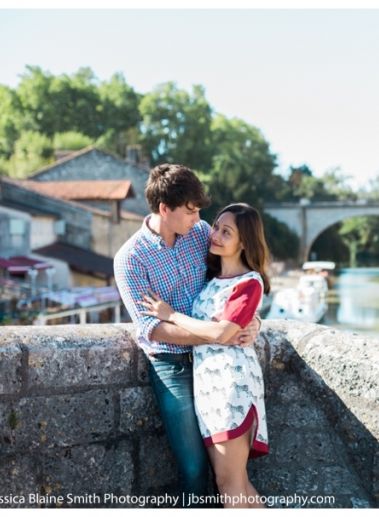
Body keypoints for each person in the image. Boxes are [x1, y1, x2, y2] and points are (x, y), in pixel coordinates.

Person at [114, 164, 261, 507]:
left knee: (227, 475)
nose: (199, 219)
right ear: (165, 209)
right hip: (172, 366)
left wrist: (253, 322)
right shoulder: (130, 260)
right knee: (195, 470)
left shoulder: (199, 235)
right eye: (192, 210)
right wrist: (219, 335)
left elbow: (234, 286)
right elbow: (154, 328)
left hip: (218, 367)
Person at [139, 203, 270, 509]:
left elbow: (222, 333)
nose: (216, 235)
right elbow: (224, 327)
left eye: (228, 232)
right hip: (209, 389)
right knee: (236, 481)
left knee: (229, 483)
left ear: (244, 242)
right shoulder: (213, 280)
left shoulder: (249, 282)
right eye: (217, 227)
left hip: (232, 388)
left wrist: (170, 315)